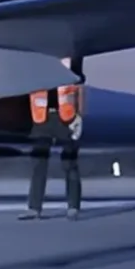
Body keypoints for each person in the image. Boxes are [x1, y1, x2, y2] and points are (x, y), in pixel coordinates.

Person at [21, 82, 84, 219]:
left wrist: (79, 116)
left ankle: (73, 207)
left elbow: (78, 89)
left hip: (66, 118)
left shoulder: (68, 64)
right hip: (41, 119)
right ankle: (34, 208)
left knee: (69, 162)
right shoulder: (36, 69)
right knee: (38, 163)